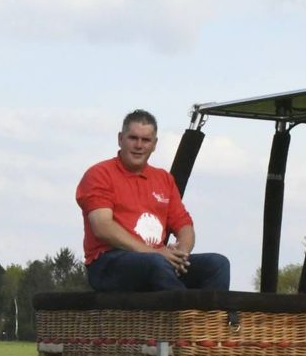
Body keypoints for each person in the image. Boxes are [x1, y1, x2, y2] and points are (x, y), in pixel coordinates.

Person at [77, 109, 230, 292]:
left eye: (146, 140)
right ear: (120, 139)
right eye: (133, 138)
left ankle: (208, 319)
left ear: (154, 144)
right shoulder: (100, 174)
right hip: (110, 263)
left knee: (217, 264)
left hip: (157, 262)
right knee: (156, 263)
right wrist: (156, 253)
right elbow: (102, 227)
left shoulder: (163, 179)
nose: (139, 145)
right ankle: (183, 315)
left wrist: (181, 254)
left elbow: (184, 226)